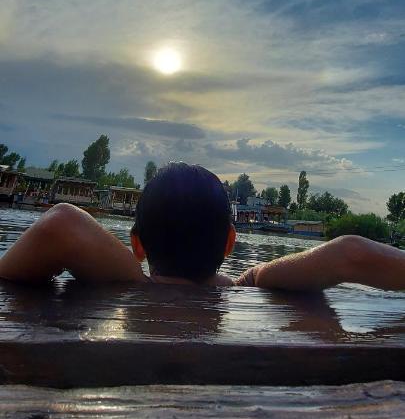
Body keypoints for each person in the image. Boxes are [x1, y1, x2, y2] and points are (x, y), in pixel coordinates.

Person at [0, 162, 404, 292]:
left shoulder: (126, 279)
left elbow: (62, 222)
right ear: (230, 241)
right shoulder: (247, 287)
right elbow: (352, 252)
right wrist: (249, 276)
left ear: (137, 244)